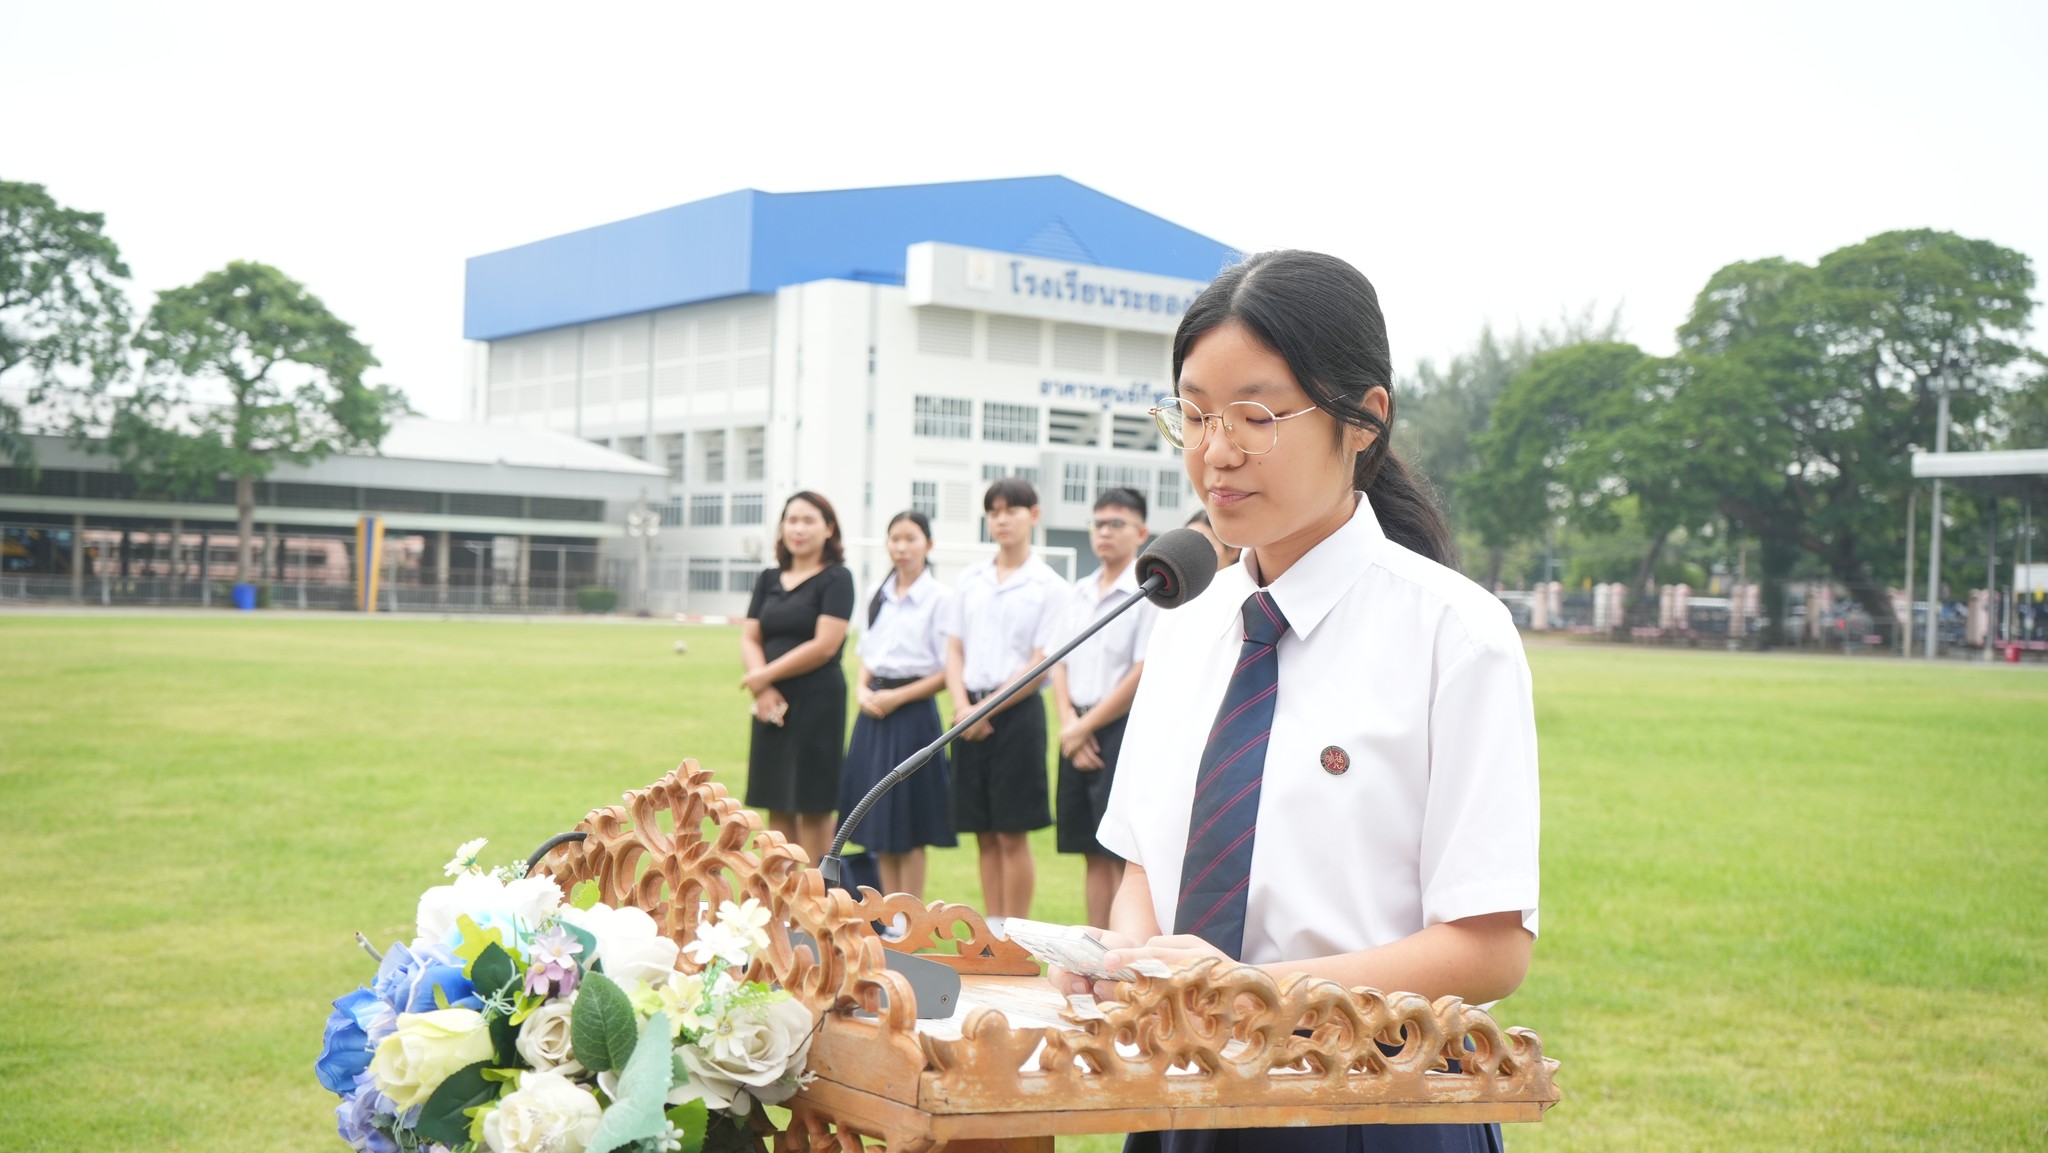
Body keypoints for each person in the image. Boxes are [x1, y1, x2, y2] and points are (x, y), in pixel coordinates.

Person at [1052, 251, 1539, 1153]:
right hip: (1180, 1099)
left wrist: (1256, 990)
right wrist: (1131, 962)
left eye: (1257, 416)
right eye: (1195, 414)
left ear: (1364, 419)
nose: (1216, 451)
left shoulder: (1456, 635)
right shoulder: (1186, 623)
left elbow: (1491, 944)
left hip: (1371, 1102)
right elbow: (1146, 871)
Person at [944, 477, 1064, 927]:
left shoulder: (1049, 586)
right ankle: (990, 932)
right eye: (993, 512)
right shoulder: (969, 580)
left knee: (1012, 833)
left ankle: (1014, 934)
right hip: (967, 714)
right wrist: (963, 706)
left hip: (1016, 717)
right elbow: (954, 648)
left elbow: (1040, 663)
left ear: (1033, 515)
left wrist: (983, 710)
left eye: (1011, 510)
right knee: (983, 832)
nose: (1001, 520)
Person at [1050, 486, 1157, 929]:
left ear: (1141, 532)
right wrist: (1069, 723)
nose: (1105, 532)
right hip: (1075, 726)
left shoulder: (1149, 592)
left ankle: (1117, 946)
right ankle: (1092, 944)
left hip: (1118, 729)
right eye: (1098, 524)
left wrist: (1084, 727)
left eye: (1117, 524)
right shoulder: (1077, 592)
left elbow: (1141, 670)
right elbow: (1058, 662)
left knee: (1117, 851)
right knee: (1089, 851)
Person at [837, 510, 958, 899]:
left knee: (910, 825)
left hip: (914, 716)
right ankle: (889, 916)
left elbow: (947, 670)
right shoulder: (878, 592)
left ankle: (911, 916)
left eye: (911, 538)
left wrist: (897, 697)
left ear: (928, 545)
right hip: (873, 713)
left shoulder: (941, 598)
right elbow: (867, 654)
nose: (901, 547)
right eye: (895, 539)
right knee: (878, 822)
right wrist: (861, 691)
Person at [740, 491, 856, 866]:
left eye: (809, 520)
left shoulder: (837, 578)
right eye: (792, 520)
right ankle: (781, 894)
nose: (799, 529)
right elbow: (750, 636)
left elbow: (825, 645)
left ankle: (818, 895)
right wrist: (763, 689)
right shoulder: (769, 578)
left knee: (815, 805)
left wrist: (762, 676)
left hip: (818, 703)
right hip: (771, 706)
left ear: (829, 528)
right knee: (777, 802)